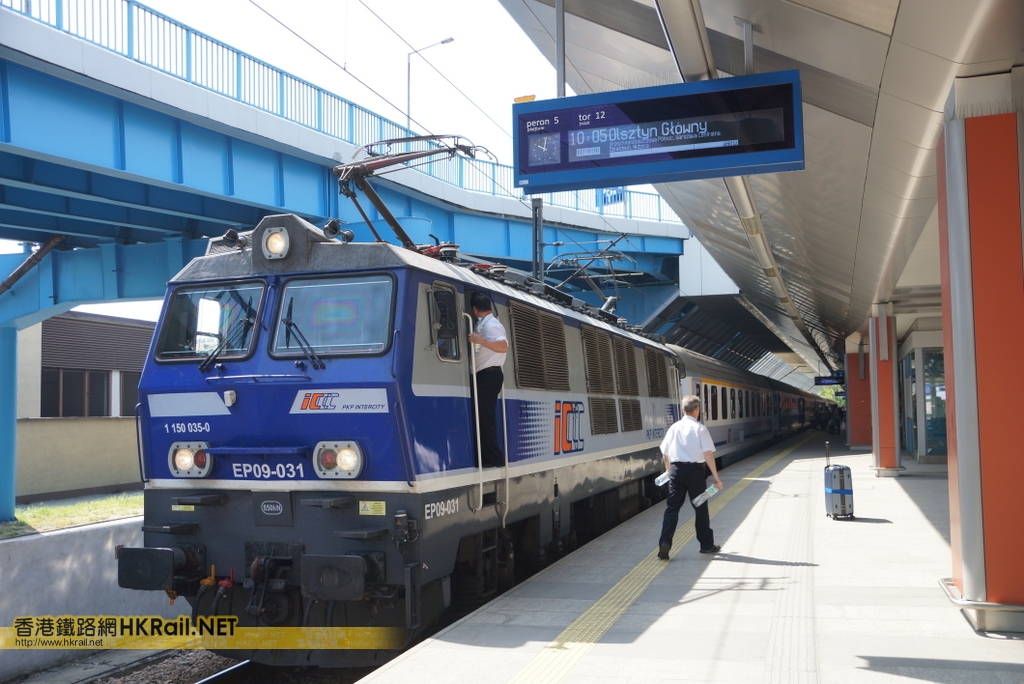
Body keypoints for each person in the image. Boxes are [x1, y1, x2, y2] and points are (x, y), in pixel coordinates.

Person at [657, 395, 725, 560]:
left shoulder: (674, 428)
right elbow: (707, 454)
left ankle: (665, 543)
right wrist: (716, 477)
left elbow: (665, 453)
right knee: (700, 507)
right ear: (697, 410)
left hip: (675, 471)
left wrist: (669, 471)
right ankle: (706, 545)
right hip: (695, 472)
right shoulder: (700, 429)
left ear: (682, 410)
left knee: (672, 508)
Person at [468, 292, 508, 468]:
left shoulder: (492, 325)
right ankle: (485, 456)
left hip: (489, 374)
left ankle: (494, 458)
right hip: (484, 374)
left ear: (474, 309)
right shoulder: (482, 324)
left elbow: (503, 346)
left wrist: (481, 340)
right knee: (482, 416)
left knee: (485, 417)